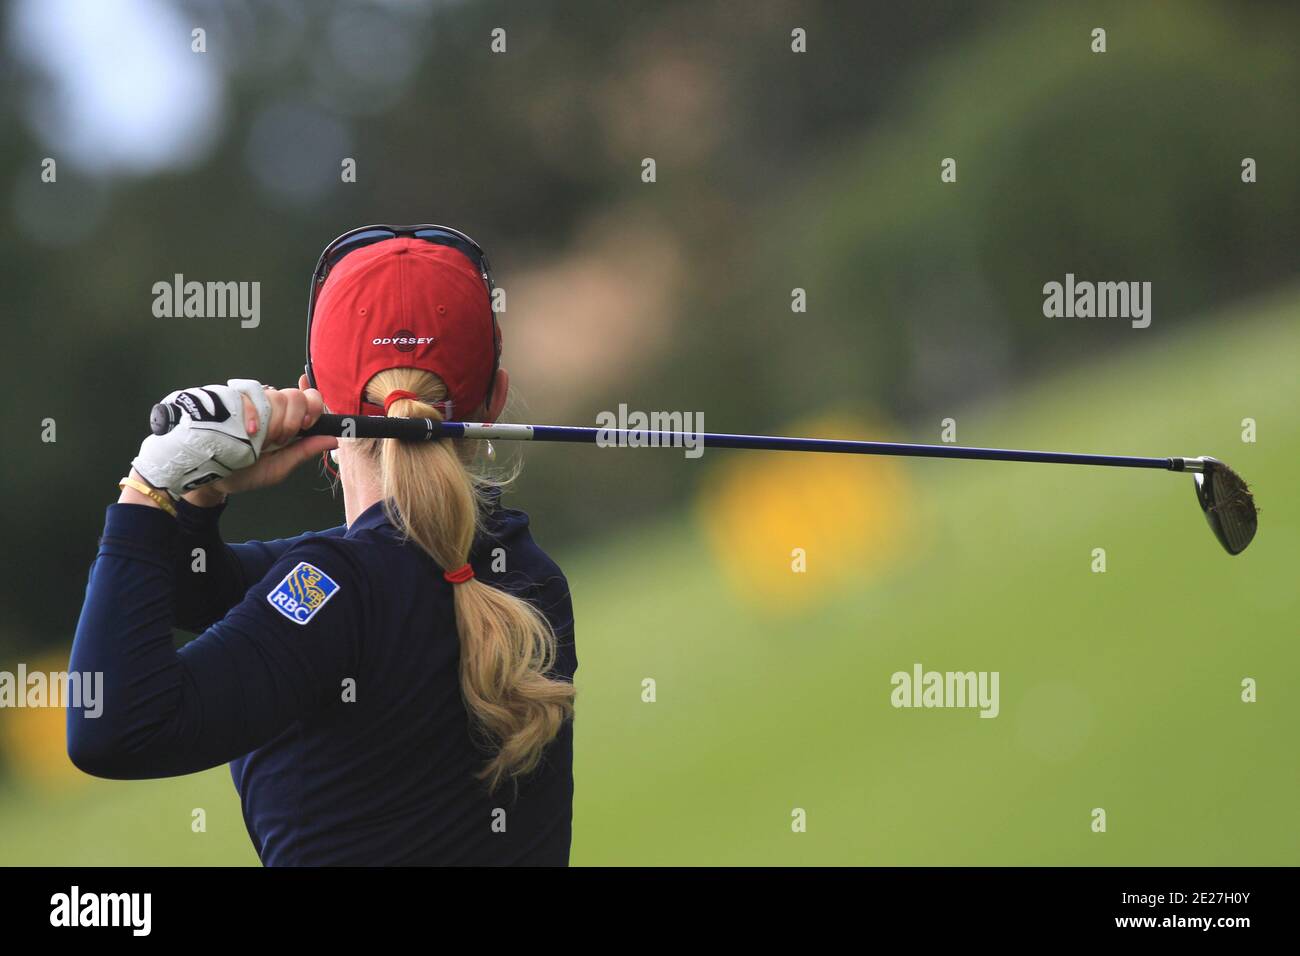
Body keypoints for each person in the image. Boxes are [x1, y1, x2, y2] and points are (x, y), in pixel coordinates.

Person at [68, 226, 577, 865]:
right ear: (494, 401)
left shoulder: (336, 588)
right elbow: (209, 591)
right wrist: (200, 497)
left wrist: (148, 489)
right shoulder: (527, 574)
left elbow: (110, 730)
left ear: (315, 395)